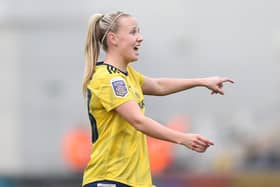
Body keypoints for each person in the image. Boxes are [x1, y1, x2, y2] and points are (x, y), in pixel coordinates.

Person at [81, 11, 234, 187]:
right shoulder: (108, 78)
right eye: (133, 32)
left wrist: (202, 81)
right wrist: (182, 138)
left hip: (134, 182)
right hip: (111, 180)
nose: (140, 38)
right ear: (113, 39)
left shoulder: (127, 75)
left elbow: (159, 85)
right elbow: (138, 121)